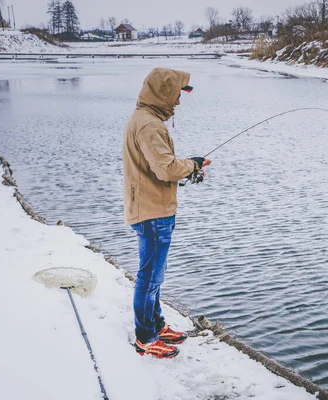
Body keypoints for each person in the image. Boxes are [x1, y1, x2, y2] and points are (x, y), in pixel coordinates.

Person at [122, 67, 211, 359]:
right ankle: (145, 337)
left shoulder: (146, 120)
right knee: (149, 276)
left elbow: (158, 168)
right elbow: (166, 168)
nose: (177, 102)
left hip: (154, 208)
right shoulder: (148, 125)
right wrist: (192, 164)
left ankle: (156, 325)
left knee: (155, 276)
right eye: (175, 96)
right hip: (152, 213)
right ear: (162, 94)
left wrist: (188, 166)